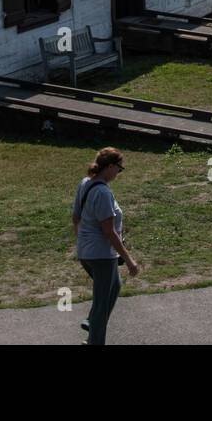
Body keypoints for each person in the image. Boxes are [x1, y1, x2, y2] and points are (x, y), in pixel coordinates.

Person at [71, 147, 139, 345]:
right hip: (101, 255)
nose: (119, 172)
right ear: (109, 166)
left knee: (114, 286)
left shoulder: (85, 184)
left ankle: (92, 322)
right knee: (102, 302)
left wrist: (82, 242)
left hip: (87, 253)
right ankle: (95, 339)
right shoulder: (102, 193)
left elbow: (76, 218)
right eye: (119, 168)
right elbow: (109, 232)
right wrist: (129, 261)